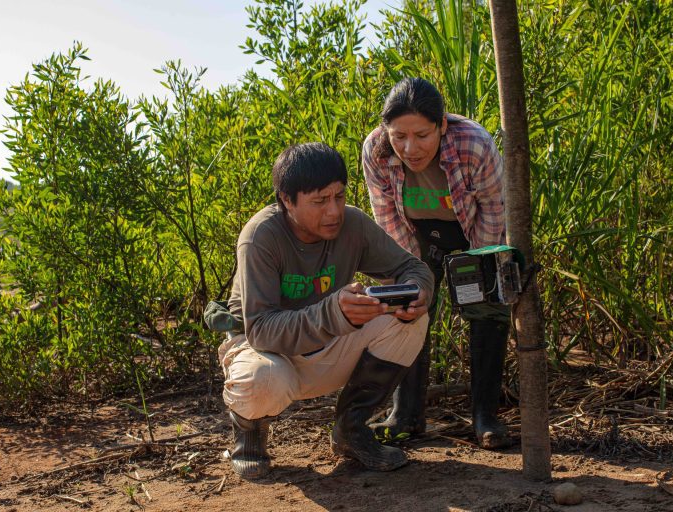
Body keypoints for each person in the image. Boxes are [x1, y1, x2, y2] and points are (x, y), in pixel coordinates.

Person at [217, 142, 435, 479]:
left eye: (338, 196)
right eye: (319, 201)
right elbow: (260, 330)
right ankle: (249, 434)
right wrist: (334, 313)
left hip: (326, 346)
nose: (333, 211)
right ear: (286, 201)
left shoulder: (352, 224)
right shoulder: (261, 236)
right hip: (267, 354)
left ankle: (351, 429)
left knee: (410, 321)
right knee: (261, 380)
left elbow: (413, 268)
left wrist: (418, 293)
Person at [362, 77, 512, 449]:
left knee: (487, 308)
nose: (410, 148)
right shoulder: (376, 151)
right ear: (386, 130)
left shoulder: (474, 144)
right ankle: (407, 416)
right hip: (417, 235)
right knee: (408, 308)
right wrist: (415, 281)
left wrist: (478, 270)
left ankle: (485, 418)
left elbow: (494, 211)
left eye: (422, 135)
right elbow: (387, 219)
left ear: (442, 125)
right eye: (399, 136)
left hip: (473, 231)